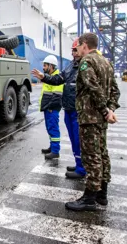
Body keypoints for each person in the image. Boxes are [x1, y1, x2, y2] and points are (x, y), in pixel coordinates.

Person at [65, 33, 119, 212]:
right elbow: (114, 91)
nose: (78, 49)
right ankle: (102, 194)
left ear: (85, 45)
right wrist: (109, 110)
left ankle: (89, 197)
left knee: (91, 156)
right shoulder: (106, 62)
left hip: (89, 117)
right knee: (102, 153)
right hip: (101, 119)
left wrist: (104, 110)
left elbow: (93, 87)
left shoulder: (86, 62)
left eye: (78, 46)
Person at [31, 39, 86, 178]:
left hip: (76, 109)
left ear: (84, 48)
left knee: (78, 139)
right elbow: (58, 79)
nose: (73, 53)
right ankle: (79, 164)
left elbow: (57, 94)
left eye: (75, 50)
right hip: (68, 108)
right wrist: (43, 77)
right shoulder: (70, 66)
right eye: (72, 50)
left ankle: (82, 168)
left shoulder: (87, 65)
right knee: (74, 139)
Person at [35, 55, 63, 159]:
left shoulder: (57, 78)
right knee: (49, 128)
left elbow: (57, 95)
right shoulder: (50, 78)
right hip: (48, 108)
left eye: (45, 65)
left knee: (53, 128)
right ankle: (52, 147)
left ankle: (55, 151)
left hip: (52, 108)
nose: (43, 67)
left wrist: (51, 107)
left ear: (51, 66)